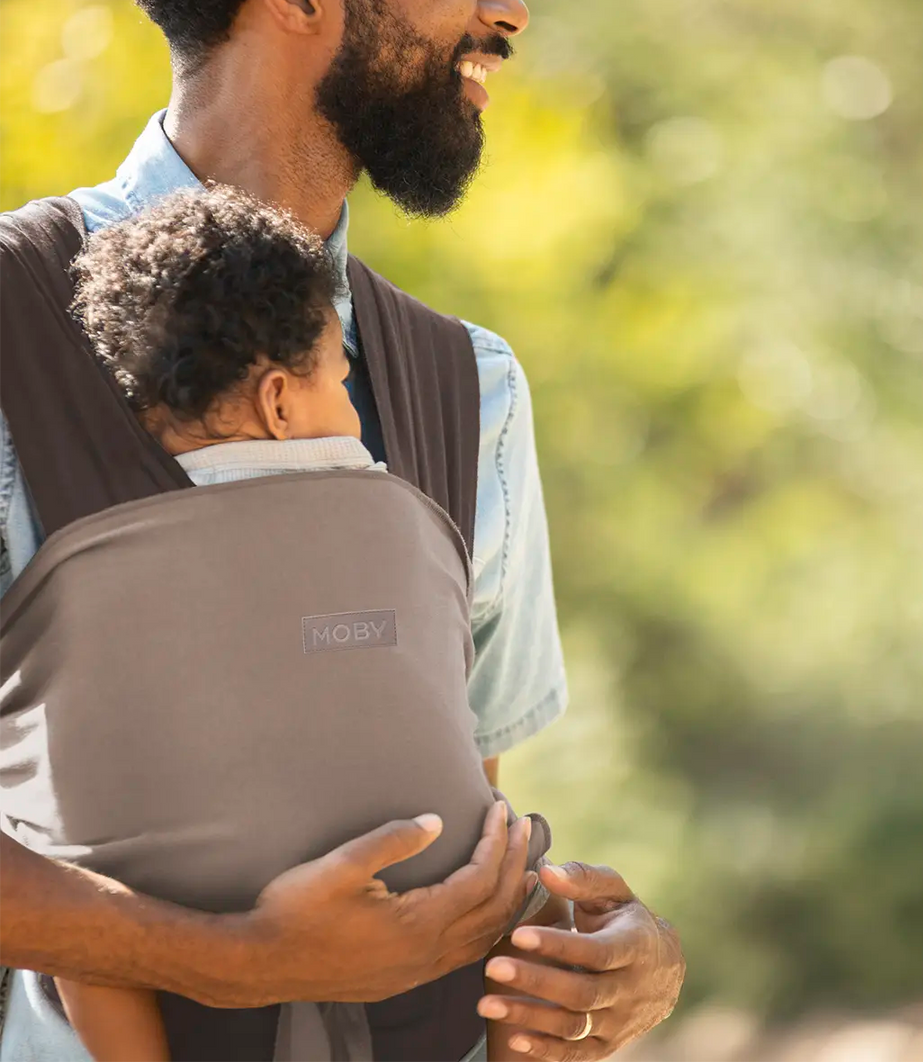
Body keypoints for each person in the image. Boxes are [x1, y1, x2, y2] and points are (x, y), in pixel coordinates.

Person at [0, 0, 686, 1060]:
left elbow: (448, 816)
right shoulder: (10, 331)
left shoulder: (477, 389)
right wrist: (225, 958)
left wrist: (598, 969)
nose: (506, 8)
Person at [41, 184, 555, 1062]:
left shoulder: (88, 567)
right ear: (282, 404)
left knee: (85, 937)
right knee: (522, 868)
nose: (358, 413)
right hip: (431, 958)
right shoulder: (400, 518)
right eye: (342, 382)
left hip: (181, 969)